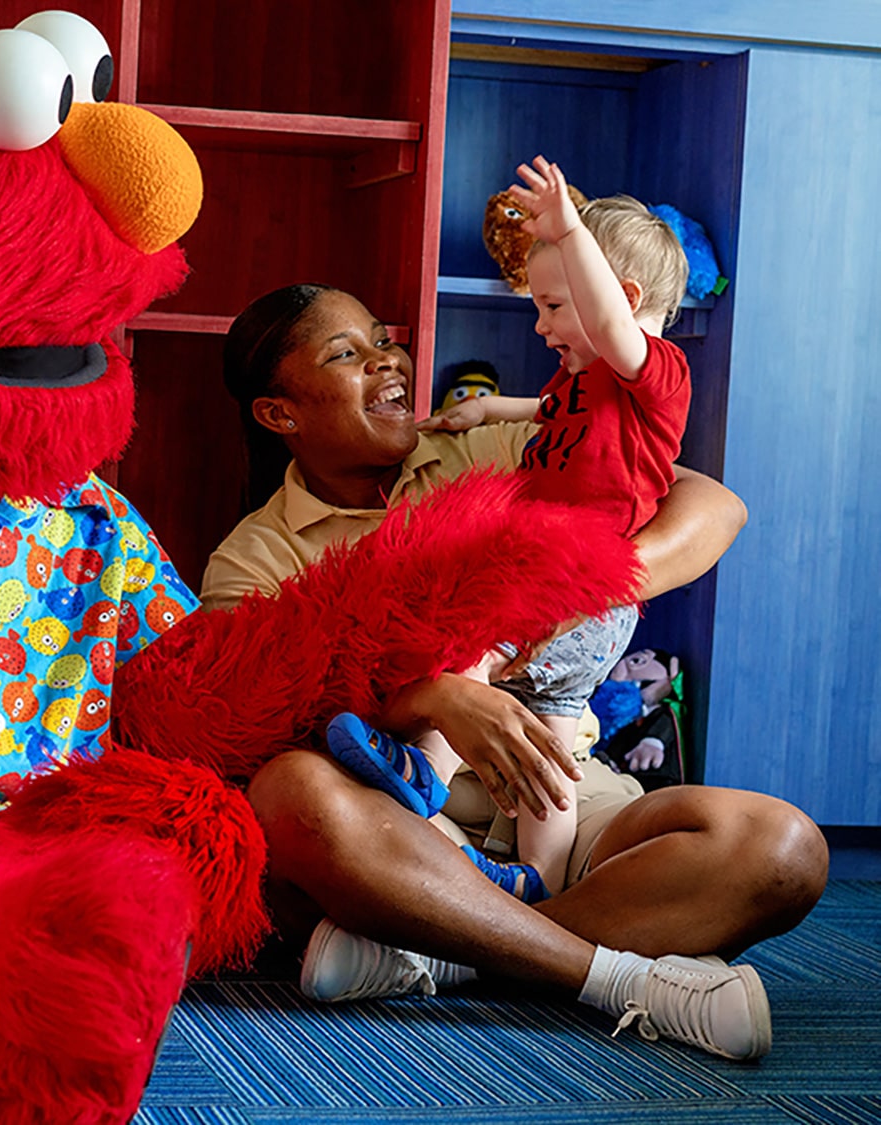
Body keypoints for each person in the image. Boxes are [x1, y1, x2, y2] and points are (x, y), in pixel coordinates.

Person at [202, 281, 828, 1062]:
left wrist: (587, 578)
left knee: (781, 849)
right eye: (346, 354)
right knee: (289, 793)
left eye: (380, 338)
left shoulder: (480, 447)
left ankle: (447, 951)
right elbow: (269, 719)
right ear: (278, 412)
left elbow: (711, 504)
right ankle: (617, 977)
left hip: (559, 784)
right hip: (404, 819)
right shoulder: (252, 559)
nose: (387, 361)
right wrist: (437, 697)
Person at [326, 158, 695, 903]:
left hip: (572, 585)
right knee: (548, 756)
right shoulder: (585, 384)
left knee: (459, 650)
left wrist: (566, 227)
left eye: (555, 305)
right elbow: (549, 409)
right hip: (585, 598)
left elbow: (616, 332)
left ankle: (420, 772)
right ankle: (543, 896)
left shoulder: (653, 370)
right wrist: (487, 411)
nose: (541, 323)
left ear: (617, 301)